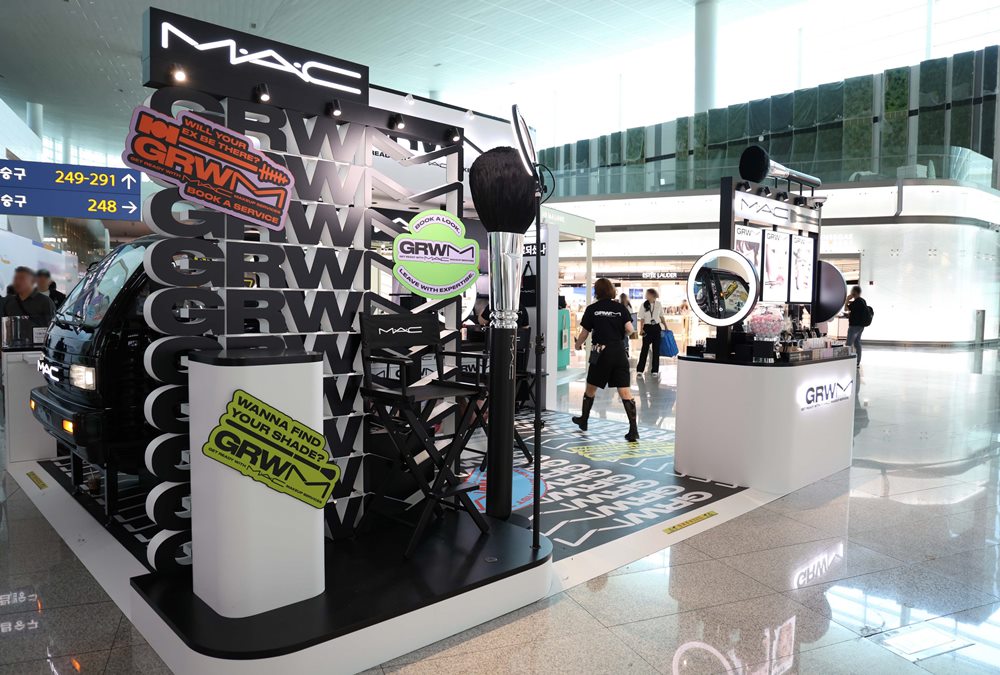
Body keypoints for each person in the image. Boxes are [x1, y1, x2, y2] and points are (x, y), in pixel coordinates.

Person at [571, 278, 639, 442]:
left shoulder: (592, 309)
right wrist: (619, 334)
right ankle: (633, 430)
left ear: (597, 291)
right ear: (611, 290)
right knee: (625, 391)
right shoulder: (620, 308)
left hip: (600, 352)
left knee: (591, 388)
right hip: (619, 352)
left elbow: (584, 333)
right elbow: (630, 330)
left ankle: (584, 420)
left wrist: (578, 345)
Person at [636, 288, 666, 375]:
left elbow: (661, 316)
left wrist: (666, 326)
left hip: (656, 328)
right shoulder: (644, 305)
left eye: (647, 294)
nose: (646, 295)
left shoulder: (658, 304)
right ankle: (640, 370)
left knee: (656, 350)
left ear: (652, 295)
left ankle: (655, 370)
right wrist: (641, 329)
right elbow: (642, 318)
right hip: (647, 328)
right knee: (644, 349)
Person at [845, 285, 868, 368]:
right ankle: (857, 361)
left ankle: (847, 361)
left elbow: (846, 309)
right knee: (857, 343)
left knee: (848, 343)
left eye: (852, 291)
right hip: (861, 326)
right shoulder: (862, 301)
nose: (851, 293)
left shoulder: (857, 301)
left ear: (854, 292)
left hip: (854, 326)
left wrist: (847, 299)